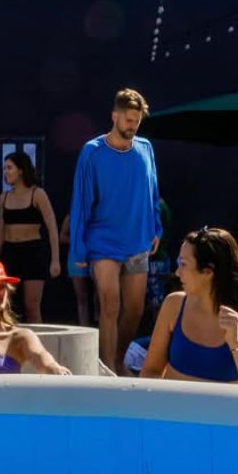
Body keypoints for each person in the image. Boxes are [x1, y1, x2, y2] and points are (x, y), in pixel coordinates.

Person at [69, 88, 162, 374]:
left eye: (137, 121)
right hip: (103, 242)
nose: (133, 126)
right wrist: (78, 248)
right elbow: (81, 200)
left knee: (134, 309)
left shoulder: (145, 148)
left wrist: (156, 226)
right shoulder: (92, 151)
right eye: (128, 120)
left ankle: (118, 360)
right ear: (114, 116)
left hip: (138, 240)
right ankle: (107, 370)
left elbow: (153, 190)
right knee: (109, 305)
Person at [140, 227, 238, 386]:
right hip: (172, 403)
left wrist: (236, 343)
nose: (178, 273)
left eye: (183, 264)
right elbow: (150, 372)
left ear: (208, 272)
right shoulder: (173, 306)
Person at [0, 152, 61, 324]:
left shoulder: (37, 194)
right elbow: (1, 231)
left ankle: (35, 340)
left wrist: (55, 260)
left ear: (21, 170)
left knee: (32, 306)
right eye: (4, 168)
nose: (6, 172)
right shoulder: (4, 197)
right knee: (5, 306)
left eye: (9, 168)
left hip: (33, 253)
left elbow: (52, 227)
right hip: (9, 252)